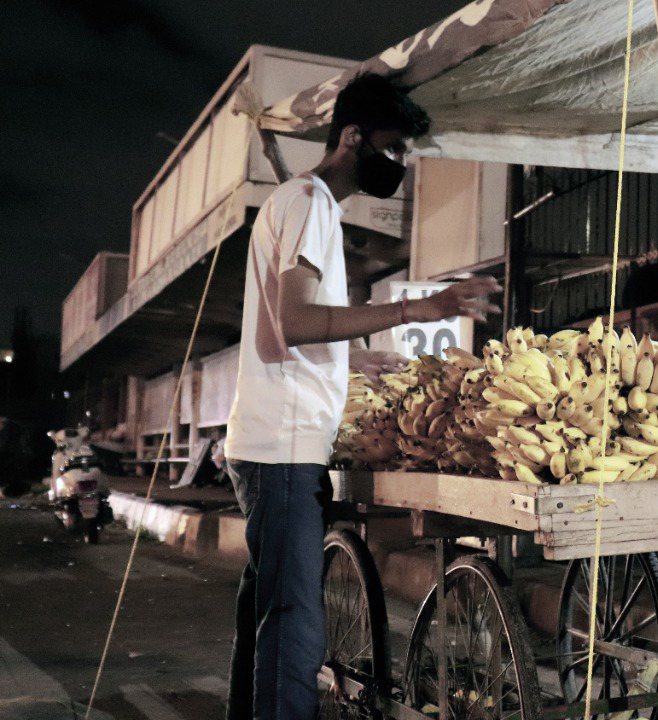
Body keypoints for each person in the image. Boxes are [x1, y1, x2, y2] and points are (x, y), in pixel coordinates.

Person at [223, 73, 500, 720]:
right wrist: (416, 311)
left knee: (266, 616)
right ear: (353, 138)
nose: (399, 163)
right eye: (393, 148)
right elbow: (294, 320)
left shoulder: (295, 203)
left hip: (270, 443)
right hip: (283, 451)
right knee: (294, 631)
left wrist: (350, 356)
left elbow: (287, 326)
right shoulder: (311, 202)